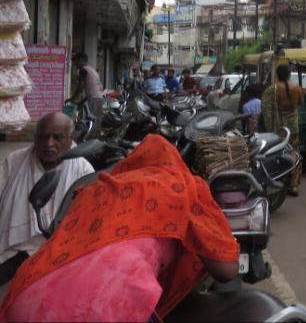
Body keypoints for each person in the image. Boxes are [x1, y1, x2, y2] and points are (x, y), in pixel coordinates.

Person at [0, 134, 239, 321]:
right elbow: (225, 270)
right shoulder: (184, 187)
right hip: (106, 303)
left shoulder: (97, 188)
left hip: (28, 296)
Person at [0, 113, 94, 286]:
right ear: (35, 138)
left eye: (57, 138)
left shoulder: (82, 169)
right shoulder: (14, 161)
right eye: (43, 137)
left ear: (70, 139)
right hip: (16, 248)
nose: (49, 144)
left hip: (61, 251)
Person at [262, 63, 304, 196]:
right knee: (295, 153)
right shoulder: (297, 88)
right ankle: (294, 185)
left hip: (279, 129)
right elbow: (301, 103)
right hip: (293, 127)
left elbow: (265, 107)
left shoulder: (272, 89)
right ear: (289, 74)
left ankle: (279, 180)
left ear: (278, 75)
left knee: (278, 154)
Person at [67, 52, 103, 124]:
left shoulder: (83, 70)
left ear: (81, 60)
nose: (75, 64)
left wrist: (72, 98)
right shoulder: (92, 70)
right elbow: (92, 89)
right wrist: (82, 101)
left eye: (76, 61)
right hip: (98, 99)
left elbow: (80, 87)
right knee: (95, 123)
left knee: (93, 123)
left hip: (93, 100)